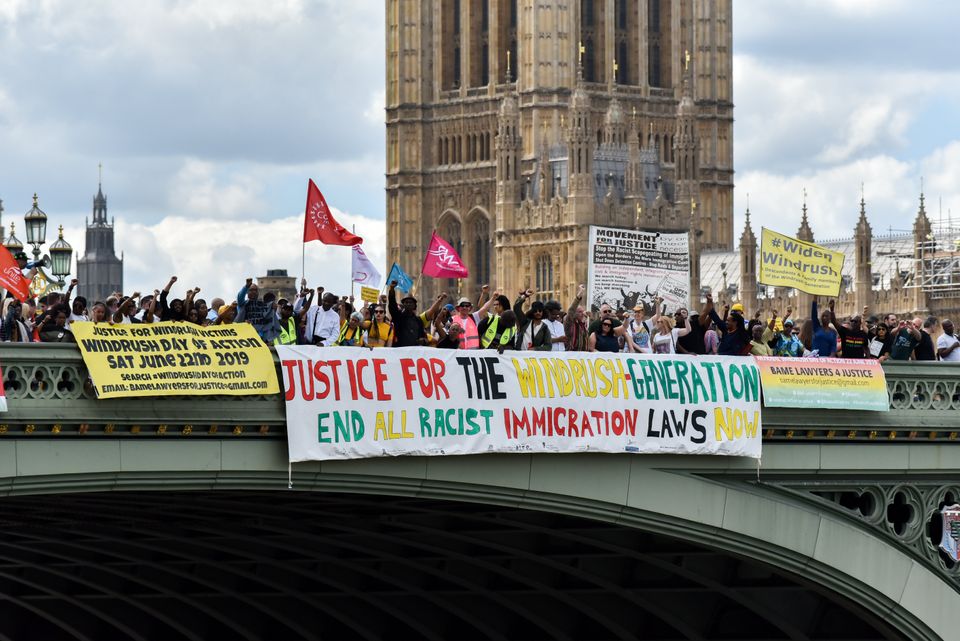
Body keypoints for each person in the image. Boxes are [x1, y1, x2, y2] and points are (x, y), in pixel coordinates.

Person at [387, 282, 428, 347]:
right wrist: (392, 289)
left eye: (410, 302)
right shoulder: (398, 317)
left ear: (414, 306)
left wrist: (423, 340)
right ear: (403, 305)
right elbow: (392, 305)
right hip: (400, 351)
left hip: (414, 352)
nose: (408, 304)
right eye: (406, 302)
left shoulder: (418, 321)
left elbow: (423, 336)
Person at [563, 285, 589, 352]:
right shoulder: (569, 322)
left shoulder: (583, 324)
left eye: (583, 311)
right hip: (571, 354)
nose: (582, 313)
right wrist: (579, 294)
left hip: (582, 355)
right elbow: (571, 310)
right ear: (574, 313)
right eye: (580, 312)